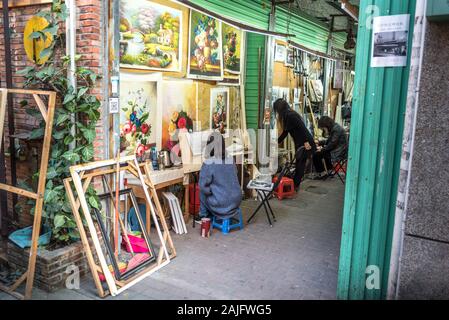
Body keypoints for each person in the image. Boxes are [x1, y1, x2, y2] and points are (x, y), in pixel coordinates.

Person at [273, 98, 316, 189]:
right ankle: (295, 184)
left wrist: (305, 142)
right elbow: (286, 132)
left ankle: (295, 185)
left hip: (304, 142)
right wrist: (276, 142)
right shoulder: (288, 115)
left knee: (300, 164)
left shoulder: (290, 115)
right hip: (302, 142)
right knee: (299, 163)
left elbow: (302, 128)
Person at [199, 132, 241, 220]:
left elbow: (203, 187)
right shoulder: (230, 158)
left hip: (222, 204)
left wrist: (211, 192)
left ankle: (203, 215)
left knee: (202, 191)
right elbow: (235, 174)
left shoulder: (208, 163)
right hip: (236, 201)